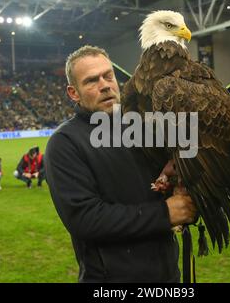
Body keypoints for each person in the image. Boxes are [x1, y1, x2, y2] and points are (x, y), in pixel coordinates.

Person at [45, 45, 197, 283]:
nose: (105, 85)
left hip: (168, 275)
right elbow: (85, 219)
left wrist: (175, 175)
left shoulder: (143, 126)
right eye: (92, 81)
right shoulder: (65, 143)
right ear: (73, 93)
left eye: (108, 75)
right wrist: (165, 213)